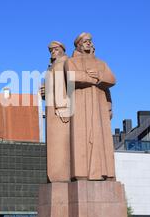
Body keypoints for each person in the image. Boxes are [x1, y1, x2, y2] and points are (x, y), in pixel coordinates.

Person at [64, 32, 116, 180]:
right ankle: (83, 173)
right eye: (85, 41)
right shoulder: (71, 61)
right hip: (81, 104)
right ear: (78, 45)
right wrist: (92, 78)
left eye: (90, 41)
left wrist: (99, 76)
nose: (88, 43)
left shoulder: (101, 63)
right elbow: (72, 76)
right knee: (82, 138)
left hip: (99, 105)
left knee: (100, 138)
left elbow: (112, 79)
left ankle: (103, 172)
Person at [40, 41, 71, 182]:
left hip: (62, 109)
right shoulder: (51, 67)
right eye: (51, 50)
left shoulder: (67, 62)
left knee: (61, 143)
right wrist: (44, 91)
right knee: (54, 146)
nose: (53, 52)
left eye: (55, 49)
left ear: (62, 50)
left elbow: (71, 85)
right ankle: (54, 175)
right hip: (51, 109)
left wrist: (64, 106)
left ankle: (62, 175)